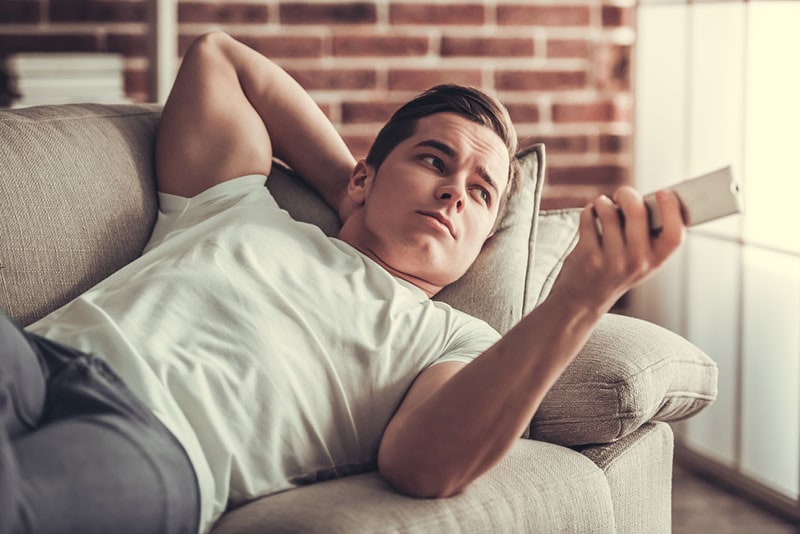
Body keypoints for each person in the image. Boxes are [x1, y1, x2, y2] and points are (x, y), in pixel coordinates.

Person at [0, 31, 686, 533]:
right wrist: (350, 193)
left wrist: (580, 299)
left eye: (480, 192)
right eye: (432, 160)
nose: (453, 192)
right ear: (365, 174)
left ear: (484, 243)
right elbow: (219, 57)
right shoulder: (237, 204)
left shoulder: (458, 341)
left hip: (155, 442)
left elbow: (425, 466)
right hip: (40, 356)